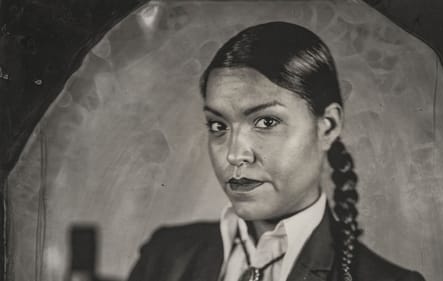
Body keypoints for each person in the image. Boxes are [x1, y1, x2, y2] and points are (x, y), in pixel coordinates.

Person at [127, 21, 426, 281]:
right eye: (218, 126)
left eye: (266, 121)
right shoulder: (164, 257)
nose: (235, 155)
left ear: (328, 126)